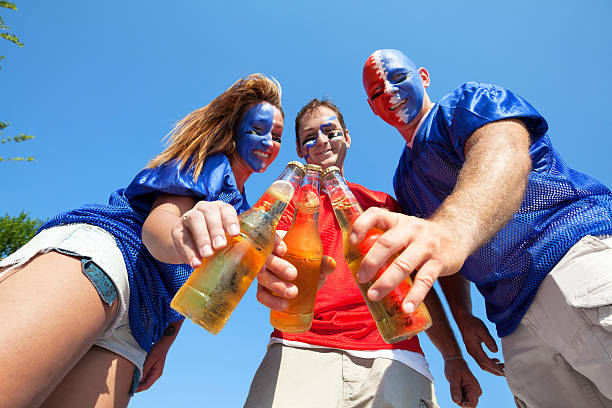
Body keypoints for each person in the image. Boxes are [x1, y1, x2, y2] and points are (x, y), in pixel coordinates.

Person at [0, 74, 285, 408]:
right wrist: (182, 237)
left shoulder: (246, 211)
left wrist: (165, 341)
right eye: (257, 130)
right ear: (234, 129)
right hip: (108, 262)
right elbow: (158, 227)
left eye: (277, 136)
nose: (268, 142)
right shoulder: (208, 164)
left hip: (141, 323)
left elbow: (196, 282)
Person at [354, 48, 612, 407]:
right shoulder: (404, 180)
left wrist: (452, 226)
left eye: (399, 78)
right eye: (379, 92)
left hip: (571, 260)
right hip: (511, 321)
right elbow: (436, 250)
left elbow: (503, 151)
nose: (392, 93)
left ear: (423, 76)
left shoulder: (465, 103)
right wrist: (463, 317)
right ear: (373, 107)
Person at [249, 98, 483, 408]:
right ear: (299, 149)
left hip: (395, 354)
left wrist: (453, 357)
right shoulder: (286, 200)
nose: (320, 141)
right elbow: (257, 248)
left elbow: (417, 286)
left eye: (329, 131)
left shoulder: (384, 205)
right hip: (297, 348)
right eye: (309, 136)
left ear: (347, 137)